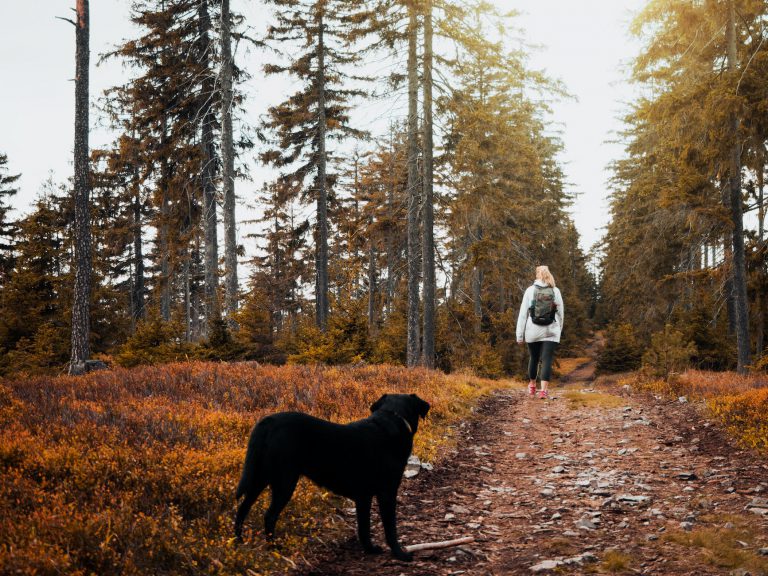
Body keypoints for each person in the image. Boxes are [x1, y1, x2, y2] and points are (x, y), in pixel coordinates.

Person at [516, 265, 564, 399]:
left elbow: (523, 314)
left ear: (537, 275)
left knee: (534, 358)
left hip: (532, 331)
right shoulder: (555, 290)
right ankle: (543, 391)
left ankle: (532, 386)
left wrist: (520, 335)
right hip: (551, 330)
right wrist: (558, 330)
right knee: (547, 359)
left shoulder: (530, 290)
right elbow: (560, 314)